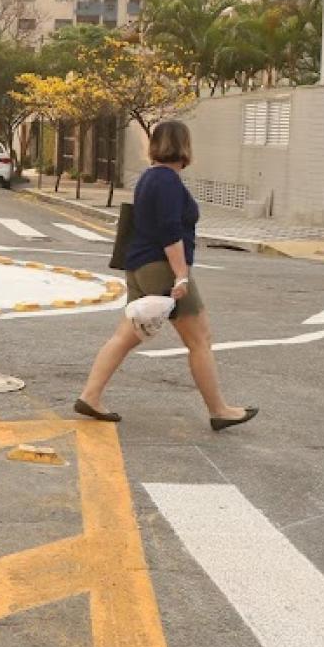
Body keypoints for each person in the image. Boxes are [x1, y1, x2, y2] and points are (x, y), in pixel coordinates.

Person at [74, 120, 258, 432]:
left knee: (126, 336)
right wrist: (182, 276)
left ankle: (90, 396)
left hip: (139, 266)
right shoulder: (168, 183)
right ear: (184, 146)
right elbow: (170, 231)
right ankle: (219, 410)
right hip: (162, 268)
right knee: (200, 339)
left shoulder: (148, 178)